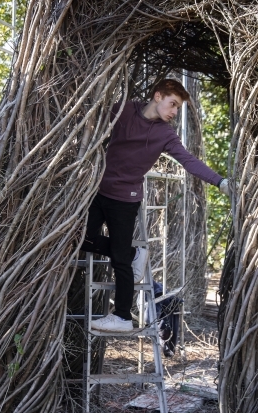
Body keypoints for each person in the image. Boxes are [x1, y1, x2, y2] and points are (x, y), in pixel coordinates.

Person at [81, 78, 229, 333]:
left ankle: (122, 317)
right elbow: (94, 118)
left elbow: (189, 162)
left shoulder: (165, 134)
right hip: (99, 191)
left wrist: (220, 182)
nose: (174, 112)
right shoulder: (125, 109)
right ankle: (132, 254)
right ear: (158, 96)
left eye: (177, 108)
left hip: (125, 200)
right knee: (80, 239)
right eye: (173, 104)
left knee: (118, 260)